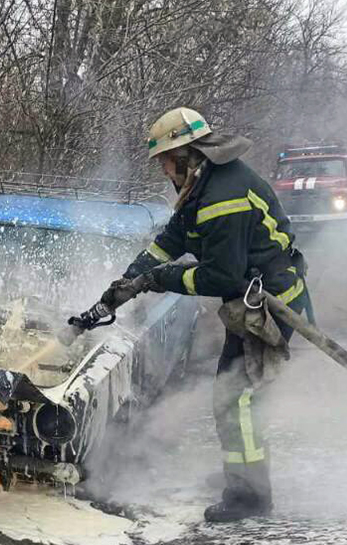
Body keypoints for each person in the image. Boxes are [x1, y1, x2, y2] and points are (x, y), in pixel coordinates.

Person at [73, 108, 313, 522]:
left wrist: (159, 279)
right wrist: (122, 288)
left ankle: (250, 497)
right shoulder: (204, 185)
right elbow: (169, 241)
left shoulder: (223, 198)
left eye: (165, 160)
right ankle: (241, 475)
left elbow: (221, 276)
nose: (163, 169)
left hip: (273, 306)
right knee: (237, 397)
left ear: (186, 154)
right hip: (251, 303)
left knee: (234, 398)